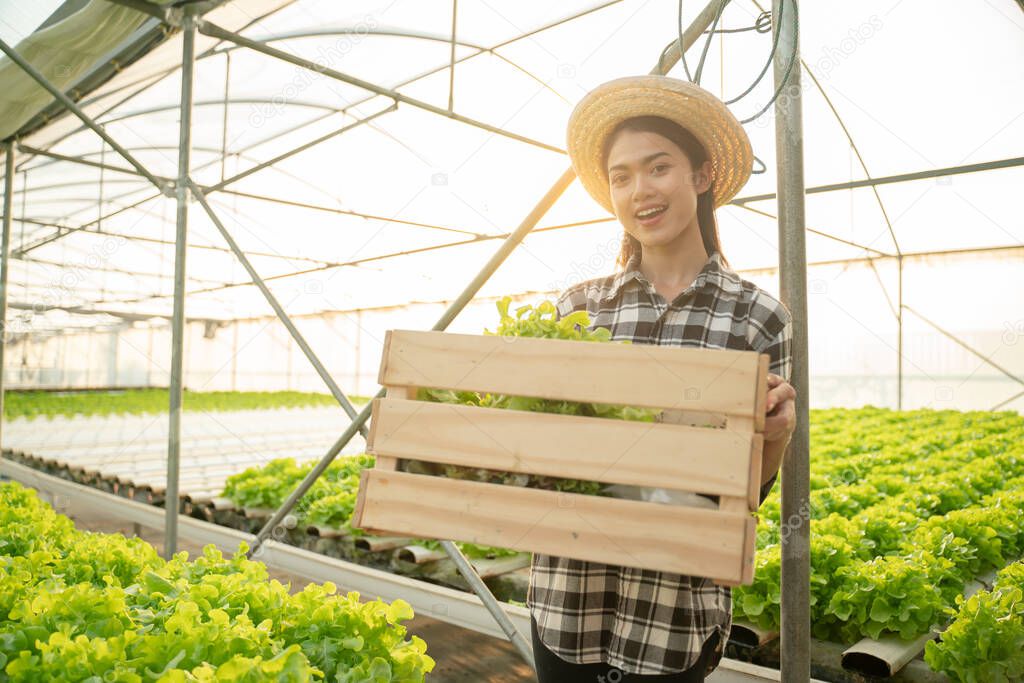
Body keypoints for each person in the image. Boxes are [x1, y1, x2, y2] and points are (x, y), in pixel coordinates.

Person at [527, 74, 797, 682]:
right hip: (569, 602)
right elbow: (539, 458)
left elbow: (744, 494)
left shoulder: (759, 317)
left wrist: (777, 433)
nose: (639, 191)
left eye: (658, 168)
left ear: (701, 177)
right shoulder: (579, 308)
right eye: (621, 176)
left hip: (674, 616)